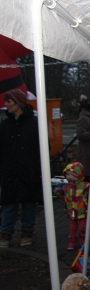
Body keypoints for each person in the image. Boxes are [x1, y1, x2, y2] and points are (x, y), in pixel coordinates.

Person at [0, 89, 43, 248]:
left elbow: (43, 148)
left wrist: (40, 170)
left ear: (18, 103)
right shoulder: (5, 125)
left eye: (9, 102)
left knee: (29, 203)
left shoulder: (34, 124)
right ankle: (5, 233)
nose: (6, 105)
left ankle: (27, 232)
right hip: (10, 171)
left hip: (28, 171)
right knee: (9, 204)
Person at [55, 162, 90, 250]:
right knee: (72, 228)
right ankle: (72, 241)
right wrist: (59, 193)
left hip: (82, 211)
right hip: (71, 211)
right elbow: (64, 198)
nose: (68, 177)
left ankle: (83, 240)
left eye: (70, 175)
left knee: (83, 227)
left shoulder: (84, 185)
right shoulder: (66, 187)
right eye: (67, 175)